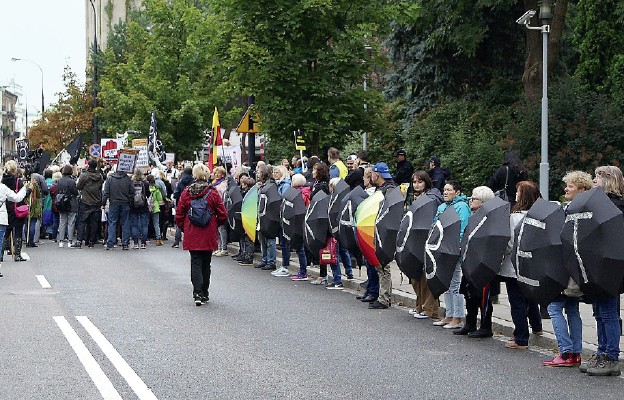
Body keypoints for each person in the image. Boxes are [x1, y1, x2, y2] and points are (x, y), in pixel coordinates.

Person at [543, 171, 592, 367]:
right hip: (575, 267)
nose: (566, 189)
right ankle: (575, 354)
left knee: (554, 307)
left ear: (581, 189)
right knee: (572, 308)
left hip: (565, 266)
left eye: (570, 186)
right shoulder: (581, 208)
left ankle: (565, 353)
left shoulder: (573, 210)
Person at [582, 166, 624, 376]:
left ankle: (611, 357)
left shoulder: (617, 207)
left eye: (599, 177)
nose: (595, 180)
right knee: (599, 313)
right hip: (598, 266)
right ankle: (601, 353)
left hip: (611, 268)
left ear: (610, 180)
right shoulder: (601, 204)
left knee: (608, 314)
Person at [175, 163, 227, 306]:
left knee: (195, 262)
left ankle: (197, 292)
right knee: (206, 263)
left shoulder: (186, 192)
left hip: (193, 231)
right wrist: (215, 224)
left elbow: (179, 213)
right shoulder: (213, 192)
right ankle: (205, 292)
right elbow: (222, 213)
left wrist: (185, 227)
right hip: (208, 231)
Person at [500, 181, 542, 349]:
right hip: (532, 264)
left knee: (517, 301)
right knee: (530, 297)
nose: (516, 194)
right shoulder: (538, 215)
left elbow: (510, 242)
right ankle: (537, 326)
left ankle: (521, 338)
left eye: (518, 192)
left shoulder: (515, 216)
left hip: (514, 264)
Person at [454, 186, 497, 338]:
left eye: (474, 198)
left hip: (483, 264)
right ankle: (470, 323)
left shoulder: (489, 219)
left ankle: (486, 326)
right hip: (469, 261)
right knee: (468, 293)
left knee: (482, 297)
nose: (470, 201)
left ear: (483, 202)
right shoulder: (473, 216)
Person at [431, 180, 470, 328]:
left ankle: (458, 317)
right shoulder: (442, 207)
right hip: (442, 250)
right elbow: (436, 226)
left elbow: (463, 228)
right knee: (446, 283)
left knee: (455, 284)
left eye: (449, 190)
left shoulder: (462, 207)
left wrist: (457, 247)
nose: (445, 192)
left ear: (457, 192)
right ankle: (449, 314)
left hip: (454, 250)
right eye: (444, 190)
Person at [405, 170, 443, 319]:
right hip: (415, 239)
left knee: (426, 277)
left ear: (426, 182)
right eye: (414, 182)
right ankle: (420, 305)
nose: (416, 184)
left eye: (419, 181)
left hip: (426, 240)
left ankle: (430, 309)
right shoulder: (415, 197)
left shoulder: (431, 199)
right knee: (415, 275)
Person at [367, 162, 397, 310]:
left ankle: (384, 298)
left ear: (376, 174)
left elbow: (389, 211)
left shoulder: (389, 190)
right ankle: (383, 296)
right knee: (380, 265)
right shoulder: (385, 188)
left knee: (383, 265)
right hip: (379, 230)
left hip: (384, 232)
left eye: (372, 173)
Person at [0, 166, 32, 272]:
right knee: (17, 230)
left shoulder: (3, 181)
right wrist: (27, 189)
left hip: (6, 209)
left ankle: (2, 253)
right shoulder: (17, 181)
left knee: (5, 233)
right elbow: (18, 197)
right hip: (15, 207)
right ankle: (17, 254)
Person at [101, 165, 134, 250]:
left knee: (112, 223)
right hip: (125, 203)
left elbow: (106, 192)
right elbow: (132, 192)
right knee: (125, 223)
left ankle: (110, 243)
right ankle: (125, 243)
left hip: (113, 202)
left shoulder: (110, 178)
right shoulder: (127, 179)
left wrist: (103, 203)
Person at [74, 159, 104, 248]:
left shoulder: (84, 176)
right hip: (96, 201)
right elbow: (100, 187)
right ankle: (91, 241)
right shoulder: (100, 176)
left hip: (86, 201)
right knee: (94, 223)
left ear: (88, 166)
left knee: (82, 222)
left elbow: (78, 187)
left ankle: (79, 241)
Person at [310, 162, 331, 285]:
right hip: (316, 216)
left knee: (323, 246)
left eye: (314, 170)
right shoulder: (316, 184)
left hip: (321, 218)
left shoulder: (322, 186)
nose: (312, 172)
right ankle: (322, 273)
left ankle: (324, 275)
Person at [255, 164, 277, 271]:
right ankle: (264, 259)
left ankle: (271, 261)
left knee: (270, 239)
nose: (257, 174)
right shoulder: (262, 185)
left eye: (259, 172)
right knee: (262, 239)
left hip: (267, 215)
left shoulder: (271, 185)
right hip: (261, 215)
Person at [289, 173, 311, 281]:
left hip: (299, 223)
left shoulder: (299, 194)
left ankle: (303, 271)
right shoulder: (305, 192)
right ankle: (303, 270)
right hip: (302, 222)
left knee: (300, 249)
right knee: (301, 248)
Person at [271, 165, 292, 277]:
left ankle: (285, 266)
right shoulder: (278, 184)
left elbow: (283, 198)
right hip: (278, 216)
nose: (275, 174)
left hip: (284, 216)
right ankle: (284, 265)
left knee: (284, 243)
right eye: (274, 172)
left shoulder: (285, 185)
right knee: (282, 243)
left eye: (277, 172)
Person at [57, 165, 79, 248]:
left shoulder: (59, 181)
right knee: (71, 222)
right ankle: (70, 241)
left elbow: (58, 190)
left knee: (62, 221)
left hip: (61, 202)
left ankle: (61, 241)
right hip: (71, 202)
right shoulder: (72, 181)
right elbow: (75, 192)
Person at [236, 176, 256, 267]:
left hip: (249, 217)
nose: (241, 185)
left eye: (243, 183)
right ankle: (244, 254)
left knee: (248, 238)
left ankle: (249, 256)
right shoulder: (243, 192)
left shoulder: (249, 195)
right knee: (244, 237)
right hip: (244, 216)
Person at [172, 166, 194, 248]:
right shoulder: (193, 181)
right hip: (191, 203)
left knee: (179, 221)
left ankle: (177, 241)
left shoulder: (181, 181)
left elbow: (176, 193)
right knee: (190, 221)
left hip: (181, 203)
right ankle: (189, 239)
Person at [128, 168, 151, 249]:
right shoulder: (146, 183)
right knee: (144, 225)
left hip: (133, 206)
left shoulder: (131, 183)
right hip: (143, 206)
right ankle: (143, 243)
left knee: (134, 225)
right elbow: (148, 194)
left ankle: (136, 243)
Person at [211, 166, 229, 256]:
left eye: (219, 173)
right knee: (217, 229)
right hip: (214, 207)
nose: (217, 174)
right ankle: (218, 246)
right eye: (215, 173)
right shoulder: (214, 183)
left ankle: (224, 248)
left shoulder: (223, 184)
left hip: (220, 207)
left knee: (222, 228)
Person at [147, 175, 164, 246]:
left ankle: (145, 238)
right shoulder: (156, 188)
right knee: (156, 224)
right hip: (155, 207)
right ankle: (158, 238)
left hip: (147, 207)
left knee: (146, 223)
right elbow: (160, 198)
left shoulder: (146, 187)